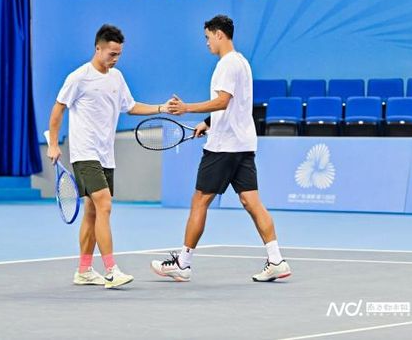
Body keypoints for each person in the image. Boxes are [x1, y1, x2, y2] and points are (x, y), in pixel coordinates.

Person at [150, 15, 291, 283]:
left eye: (207, 37)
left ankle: (183, 263)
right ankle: (276, 260)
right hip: (243, 144)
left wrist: (187, 108)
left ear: (219, 34)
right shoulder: (242, 62)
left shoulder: (226, 64)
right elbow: (234, 106)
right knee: (251, 202)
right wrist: (207, 122)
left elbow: (223, 101)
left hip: (224, 147)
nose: (206, 43)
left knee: (199, 201)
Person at [48, 24, 172, 289]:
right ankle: (111, 270)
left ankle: (83, 270)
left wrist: (161, 108)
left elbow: (131, 106)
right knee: (104, 204)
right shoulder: (79, 77)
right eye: (111, 54)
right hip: (84, 152)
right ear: (98, 48)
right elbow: (58, 109)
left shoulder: (116, 77)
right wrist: (54, 144)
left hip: (106, 154)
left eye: (119, 54)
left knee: (92, 211)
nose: (115, 59)